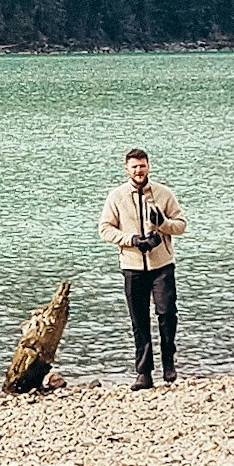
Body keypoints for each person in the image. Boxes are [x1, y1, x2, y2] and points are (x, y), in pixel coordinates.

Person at [98, 147, 186, 386]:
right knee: (139, 320)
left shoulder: (163, 193)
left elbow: (181, 225)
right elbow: (105, 228)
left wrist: (163, 224)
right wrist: (132, 240)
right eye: (134, 166)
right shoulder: (116, 196)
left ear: (148, 166)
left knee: (167, 313)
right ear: (126, 169)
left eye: (142, 165)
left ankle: (169, 363)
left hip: (162, 264)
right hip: (132, 266)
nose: (139, 170)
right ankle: (144, 372)